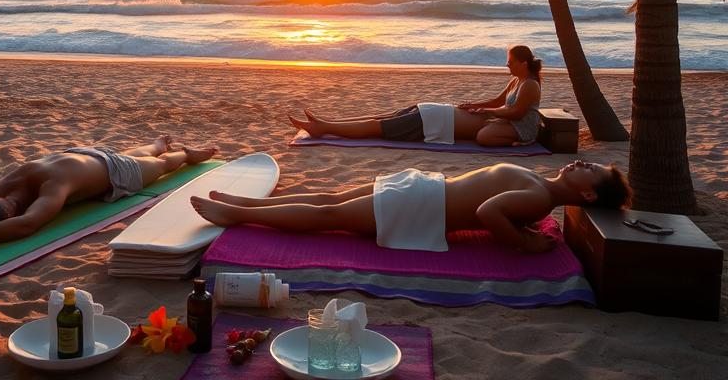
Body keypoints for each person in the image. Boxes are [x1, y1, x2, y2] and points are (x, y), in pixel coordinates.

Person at [191, 160, 631, 254]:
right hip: (423, 191)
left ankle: (240, 213)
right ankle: (244, 203)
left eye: (589, 169)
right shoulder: (540, 184)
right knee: (331, 201)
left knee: (330, 216)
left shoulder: (539, 197)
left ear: (588, 194)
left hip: (420, 205)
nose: (581, 162)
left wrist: (524, 244)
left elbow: (488, 212)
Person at [0, 136, 217, 251]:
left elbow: (20, 223)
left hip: (102, 163)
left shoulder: (38, 188)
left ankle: (180, 153)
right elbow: (19, 222)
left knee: (156, 165)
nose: (13, 203)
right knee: (148, 161)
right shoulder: (28, 184)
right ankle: (173, 149)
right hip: (94, 159)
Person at [290, 45, 543, 147]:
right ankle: (326, 125)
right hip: (434, 116)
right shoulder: (517, 81)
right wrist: (475, 105)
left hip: (434, 120)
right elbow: (498, 103)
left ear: (522, 62)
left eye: (510, 62)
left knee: (380, 125)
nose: (506, 65)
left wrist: (487, 113)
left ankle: (323, 127)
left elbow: (516, 112)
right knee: (382, 119)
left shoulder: (529, 85)